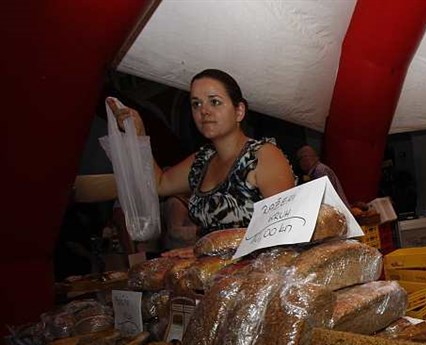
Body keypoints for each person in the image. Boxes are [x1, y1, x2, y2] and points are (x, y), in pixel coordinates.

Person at [108, 69, 296, 236]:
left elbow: (282, 228)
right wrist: (138, 135)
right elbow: (159, 185)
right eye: (196, 104)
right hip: (214, 270)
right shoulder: (202, 161)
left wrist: (206, 249)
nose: (204, 111)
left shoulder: (262, 156)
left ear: (239, 111)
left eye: (215, 102)